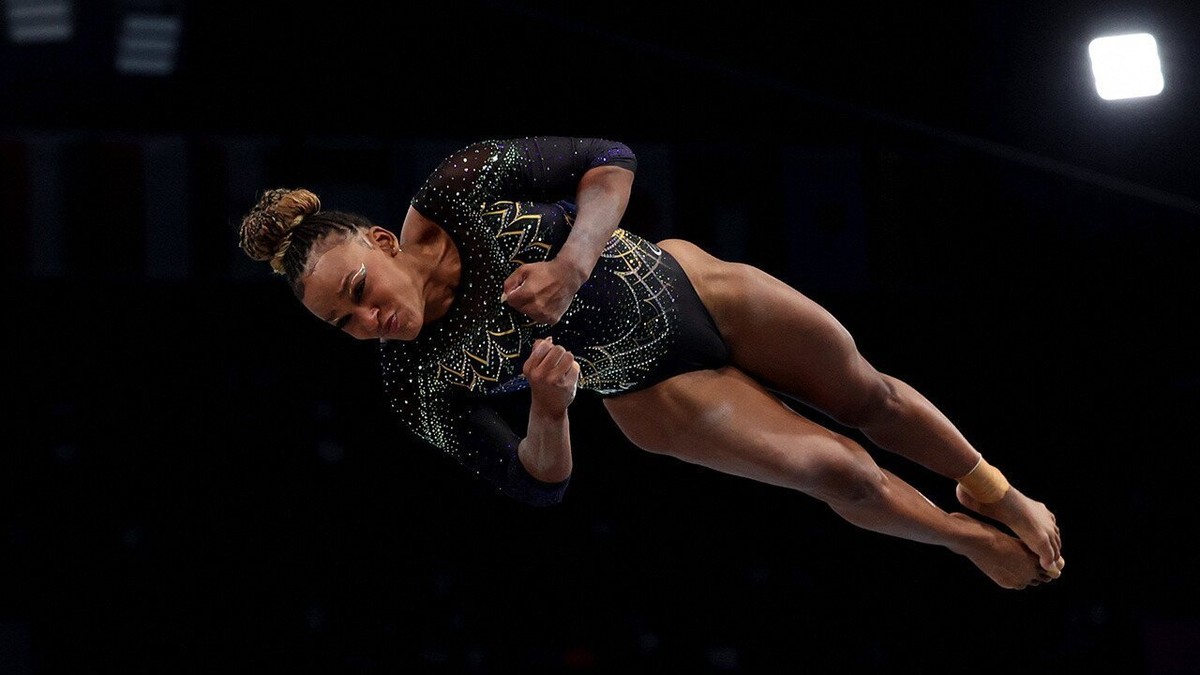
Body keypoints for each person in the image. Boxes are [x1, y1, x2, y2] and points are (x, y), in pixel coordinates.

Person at [237, 135, 1064, 590]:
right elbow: (537, 481)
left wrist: (571, 265)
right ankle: (964, 540)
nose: (367, 318)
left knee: (870, 396)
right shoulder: (416, 381)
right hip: (651, 389)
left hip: (691, 282)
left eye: (357, 288)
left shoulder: (457, 184)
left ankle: (996, 489)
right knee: (838, 472)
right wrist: (551, 410)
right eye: (343, 323)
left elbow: (610, 159)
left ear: (381, 243)